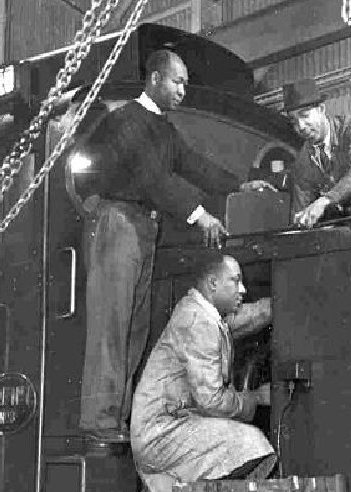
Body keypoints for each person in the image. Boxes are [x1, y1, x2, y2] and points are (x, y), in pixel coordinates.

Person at [77, 49, 240, 443]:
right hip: (118, 224)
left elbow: (195, 165)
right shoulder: (126, 121)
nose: (183, 90)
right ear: (154, 79)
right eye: (176, 81)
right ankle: (99, 422)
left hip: (142, 228)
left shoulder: (163, 129)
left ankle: (116, 421)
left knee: (133, 329)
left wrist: (241, 185)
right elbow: (153, 179)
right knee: (112, 327)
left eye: (185, 84)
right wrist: (200, 215)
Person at [130, 253, 276, 490]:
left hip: (168, 426)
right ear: (213, 283)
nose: (242, 289)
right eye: (235, 281)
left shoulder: (202, 311)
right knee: (250, 444)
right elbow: (211, 401)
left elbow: (244, 320)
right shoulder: (198, 320)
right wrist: (256, 397)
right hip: (162, 432)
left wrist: (279, 303)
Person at [243, 78, 351, 228]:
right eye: (294, 121)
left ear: (321, 109)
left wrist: (325, 201)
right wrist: (298, 224)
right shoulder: (304, 161)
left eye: (305, 115)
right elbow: (301, 208)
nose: (300, 126)